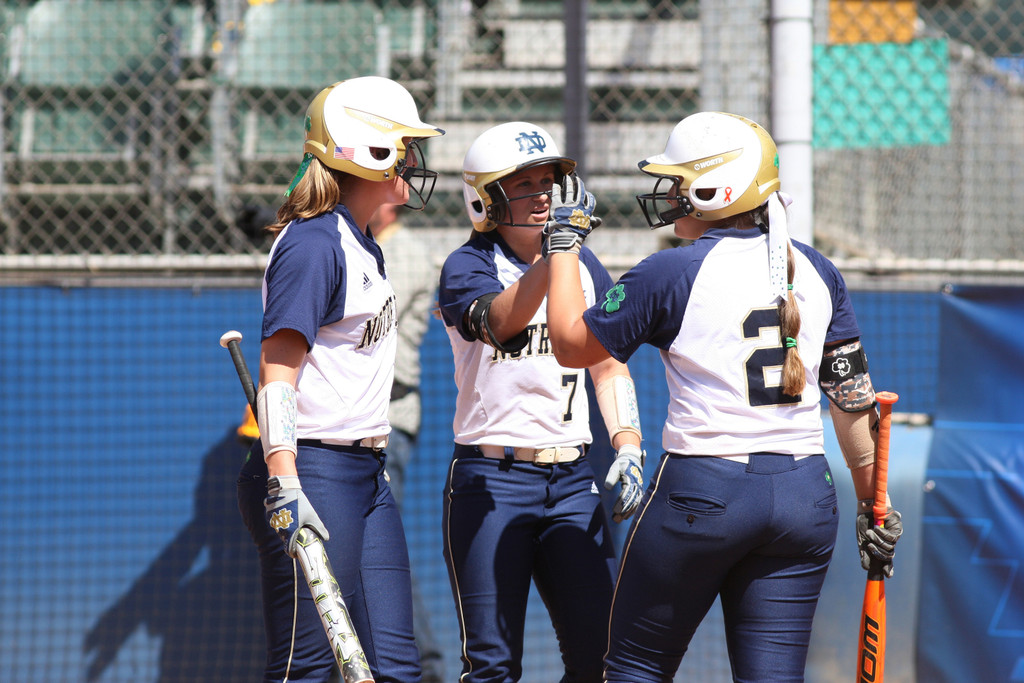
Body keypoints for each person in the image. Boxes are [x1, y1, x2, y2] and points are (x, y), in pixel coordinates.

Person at [543, 111, 904, 682]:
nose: (670, 194)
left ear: (714, 190)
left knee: (633, 670)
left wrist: (562, 247)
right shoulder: (816, 268)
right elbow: (851, 399)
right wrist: (871, 504)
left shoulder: (671, 270)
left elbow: (569, 346)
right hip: (805, 496)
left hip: (703, 494)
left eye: (680, 181)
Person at [236, 75, 444, 683]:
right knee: (307, 668)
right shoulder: (313, 243)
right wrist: (285, 482)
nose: (413, 159)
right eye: (402, 146)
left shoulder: (360, 241)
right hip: (311, 473)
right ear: (367, 154)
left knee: (394, 667)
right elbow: (277, 374)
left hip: (364, 472)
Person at [437, 121, 646, 683]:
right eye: (522, 185)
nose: (541, 197)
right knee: (492, 664)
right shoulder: (468, 264)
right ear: (485, 198)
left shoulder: (582, 265)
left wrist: (628, 443)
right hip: (491, 479)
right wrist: (554, 258)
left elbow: (607, 364)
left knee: (599, 655)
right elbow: (501, 324)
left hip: (573, 480)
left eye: (548, 183)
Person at [367, 202, 446, 683]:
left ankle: (427, 667)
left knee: (375, 549)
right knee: (349, 549)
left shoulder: (407, 254)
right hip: (351, 421)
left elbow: (360, 330)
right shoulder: (359, 245)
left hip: (386, 419)